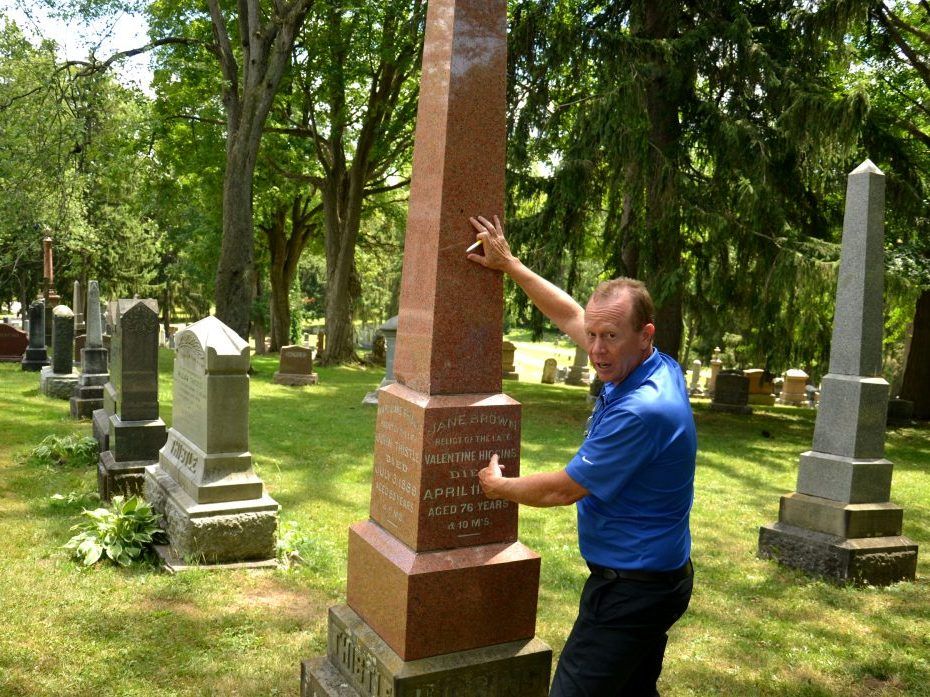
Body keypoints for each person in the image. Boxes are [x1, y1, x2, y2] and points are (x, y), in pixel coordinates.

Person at [467, 215, 697, 697]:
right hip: (657, 578)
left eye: (609, 336)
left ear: (646, 334)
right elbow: (569, 314)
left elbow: (562, 489)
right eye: (593, 335)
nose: (595, 348)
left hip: (633, 590)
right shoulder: (649, 363)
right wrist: (510, 266)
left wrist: (498, 487)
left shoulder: (641, 410)